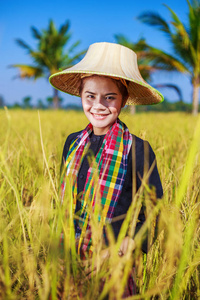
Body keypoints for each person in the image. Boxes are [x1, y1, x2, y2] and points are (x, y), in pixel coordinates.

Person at [49, 42, 163, 297]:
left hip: (114, 265)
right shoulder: (72, 142)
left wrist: (120, 249)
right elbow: (63, 203)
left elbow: (154, 212)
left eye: (109, 97)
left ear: (123, 101)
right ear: (81, 96)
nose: (98, 105)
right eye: (90, 96)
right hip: (67, 260)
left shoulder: (139, 150)